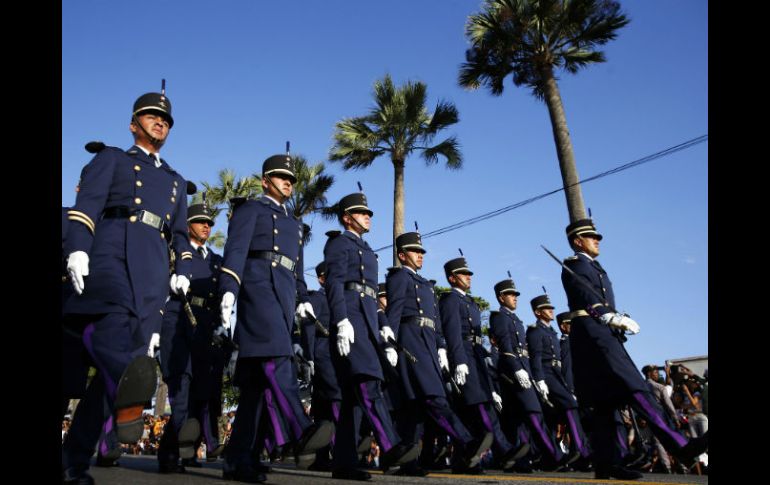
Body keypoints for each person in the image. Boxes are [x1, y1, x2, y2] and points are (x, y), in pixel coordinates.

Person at [62, 87, 193, 485]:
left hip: (152, 271)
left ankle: (73, 460)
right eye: (153, 116)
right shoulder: (113, 158)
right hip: (112, 254)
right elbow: (87, 206)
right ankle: (133, 403)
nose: (161, 123)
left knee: (107, 381)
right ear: (134, 123)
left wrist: (182, 267)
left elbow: (182, 234)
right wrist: (78, 249)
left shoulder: (175, 180)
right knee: (117, 343)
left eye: (166, 120)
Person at [560, 218, 707, 480]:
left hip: (601, 334)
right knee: (636, 388)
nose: (597, 240)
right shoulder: (575, 264)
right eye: (591, 237)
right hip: (594, 334)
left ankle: (608, 463)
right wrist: (606, 314)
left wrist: (614, 318)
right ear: (577, 241)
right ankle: (681, 446)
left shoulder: (596, 267)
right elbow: (586, 296)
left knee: (604, 403)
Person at [218, 153, 333, 483]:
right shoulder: (251, 210)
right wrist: (229, 288)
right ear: (265, 180)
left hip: (282, 297)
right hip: (257, 289)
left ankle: (240, 459)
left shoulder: (294, 223)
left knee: (256, 389)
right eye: (281, 176)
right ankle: (301, 428)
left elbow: (296, 268)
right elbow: (236, 251)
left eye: (292, 179)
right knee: (277, 359)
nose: (288, 182)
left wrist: (301, 299)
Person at [323, 191, 417, 481]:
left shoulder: (367, 250)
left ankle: (344, 462)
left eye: (369, 213)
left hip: (368, 324)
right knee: (368, 381)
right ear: (347, 217)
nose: (368, 216)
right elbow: (336, 284)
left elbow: (372, 295)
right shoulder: (340, 243)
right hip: (350, 320)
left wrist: (383, 324)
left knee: (352, 399)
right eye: (362, 212)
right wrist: (341, 320)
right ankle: (390, 445)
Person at [385, 232, 492, 476]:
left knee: (415, 406)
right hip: (410, 343)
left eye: (422, 252)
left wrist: (442, 346)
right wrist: (389, 343)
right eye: (415, 251)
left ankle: (409, 461)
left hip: (429, 344)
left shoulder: (425, 284)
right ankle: (467, 442)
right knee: (434, 398)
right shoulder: (399, 277)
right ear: (402, 255)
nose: (420, 255)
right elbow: (395, 311)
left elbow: (436, 322)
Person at [157, 199, 228, 473]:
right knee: (181, 386)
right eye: (201, 222)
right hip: (179, 318)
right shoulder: (176, 251)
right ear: (187, 226)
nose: (207, 226)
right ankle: (169, 452)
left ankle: (188, 449)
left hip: (207, 324)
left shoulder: (215, 261)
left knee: (201, 391)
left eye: (210, 223)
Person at [438, 256, 526, 474]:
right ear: (452, 278)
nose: (468, 278)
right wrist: (457, 360)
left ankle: (464, 461)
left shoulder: (471, 303)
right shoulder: (450, 300)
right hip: (464, 356)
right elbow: (452, 333)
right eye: (464, 274)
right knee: (480, 407)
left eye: (469, 274)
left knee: (469, 410)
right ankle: (504, 450)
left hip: (476, 357)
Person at [489, 279, 562, 471]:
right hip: (512, 370)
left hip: (523, 368)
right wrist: (516, 367)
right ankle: (553, 455)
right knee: (533, 412)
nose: (515, 298)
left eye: (515, 295)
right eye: (511, 294)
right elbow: (505, 345)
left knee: (516, 419)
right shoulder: (499, 317)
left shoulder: (516, 320)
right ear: (501, 297)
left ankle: (519, 460)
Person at [526, 294, 590, 464]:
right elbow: (536, 357)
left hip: (556, 373)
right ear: (538, 312)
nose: (551, 311)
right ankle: (580, 448)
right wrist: (539, 379)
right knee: (570, 404)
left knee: (554, 417)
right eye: (547, 308)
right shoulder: (535, 330)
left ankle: (552, 455)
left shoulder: (551, 332)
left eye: (552, 308)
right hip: (546, 373)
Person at [299, 261, 342, 471]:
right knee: (335, 399)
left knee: (324, 406)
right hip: (323, 351)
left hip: (337, 353)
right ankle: (340, 451)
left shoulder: (340, 300)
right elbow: (307, 326)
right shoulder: (318, 297)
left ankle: (323, 457)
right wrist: (309, 356)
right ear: (322, 279)